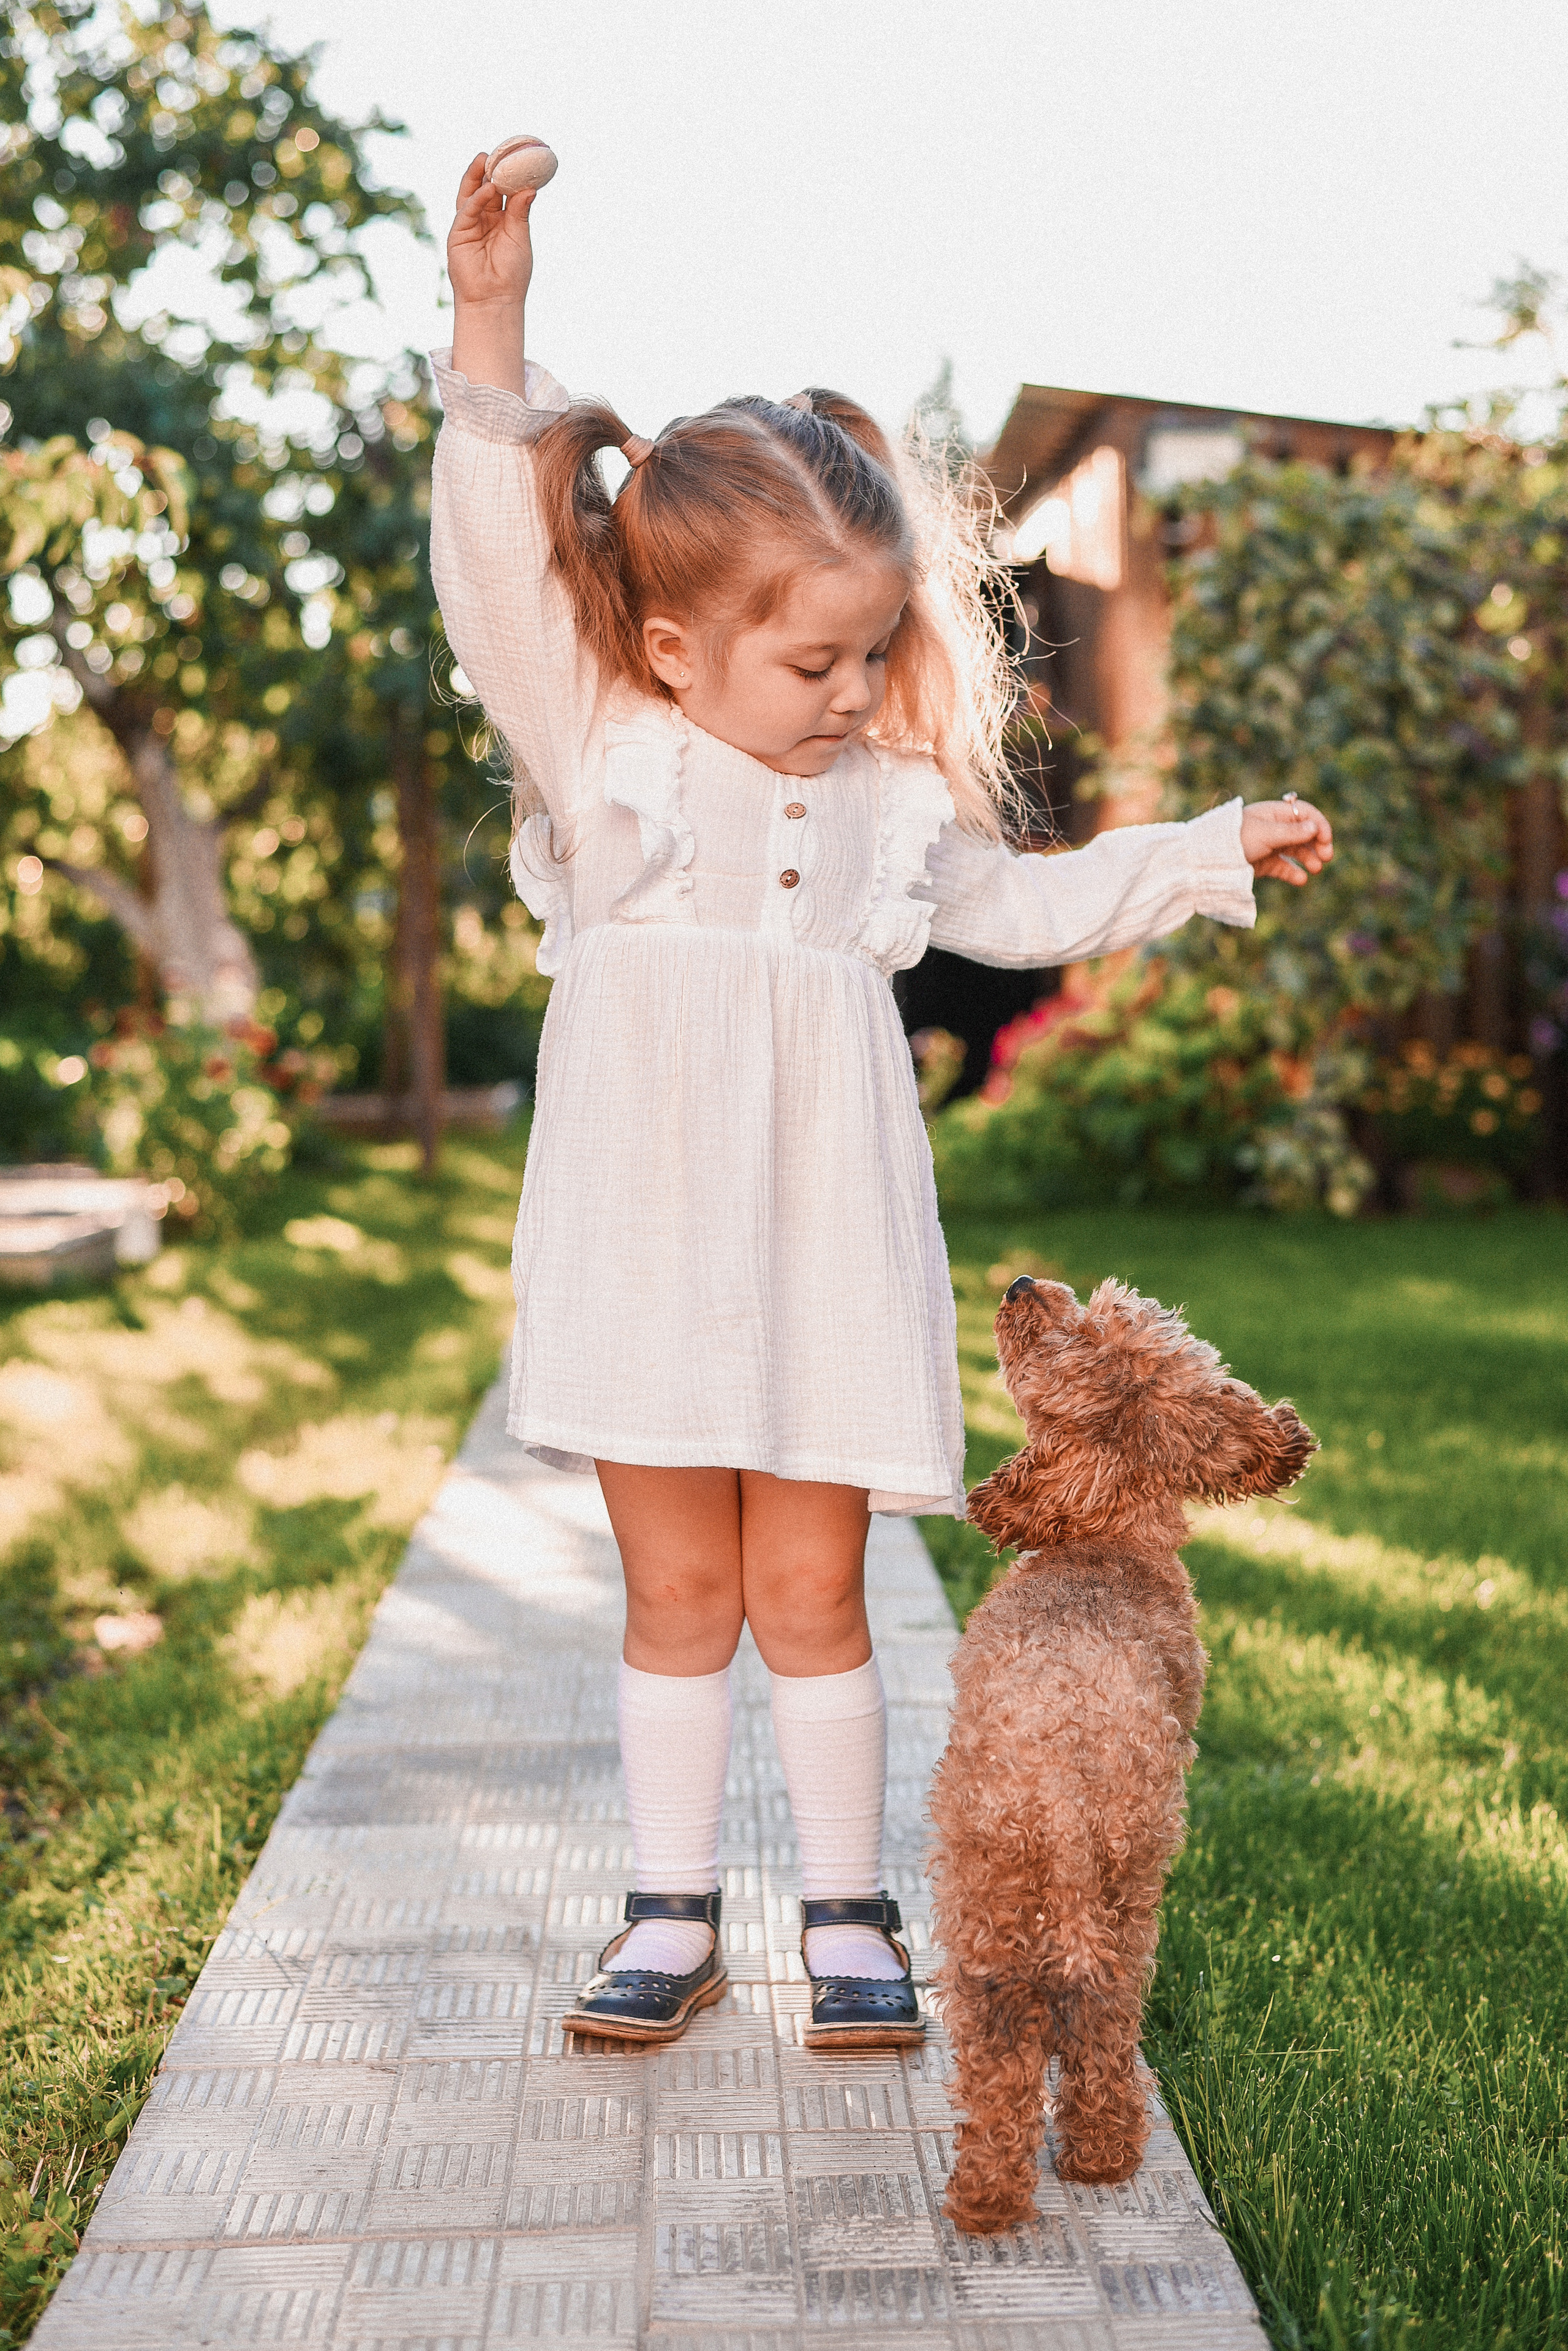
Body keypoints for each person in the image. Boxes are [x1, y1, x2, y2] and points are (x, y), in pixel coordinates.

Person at [431, 153, 1333, 2051]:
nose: (853, 692)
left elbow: (1033, 906)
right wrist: (490, 322)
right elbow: (501, 571)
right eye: (813, 660)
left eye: (870, 653)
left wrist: (1204, 846)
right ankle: (670, 1913)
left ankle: (848, 1916)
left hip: (826, 1262)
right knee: (681, 1594)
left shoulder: (887, 805)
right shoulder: (603, 762)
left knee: (815, 1591)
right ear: (672, 650)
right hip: (643, 1257)